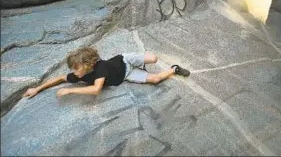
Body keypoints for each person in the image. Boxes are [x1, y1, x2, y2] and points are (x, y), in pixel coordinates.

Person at [23, 47, 190, 98]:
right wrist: (37, 89)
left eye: (76, 67)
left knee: (153, 58)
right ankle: (174, 69)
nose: (74, 72)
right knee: (156, 80)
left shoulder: (100, 68)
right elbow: (59, 78)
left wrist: (70, 90)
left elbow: (96, 89)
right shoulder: (80, 74)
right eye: (73, 69)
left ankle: (141, 59)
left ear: (88, 64)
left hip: (126, 60)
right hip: (126, 75)